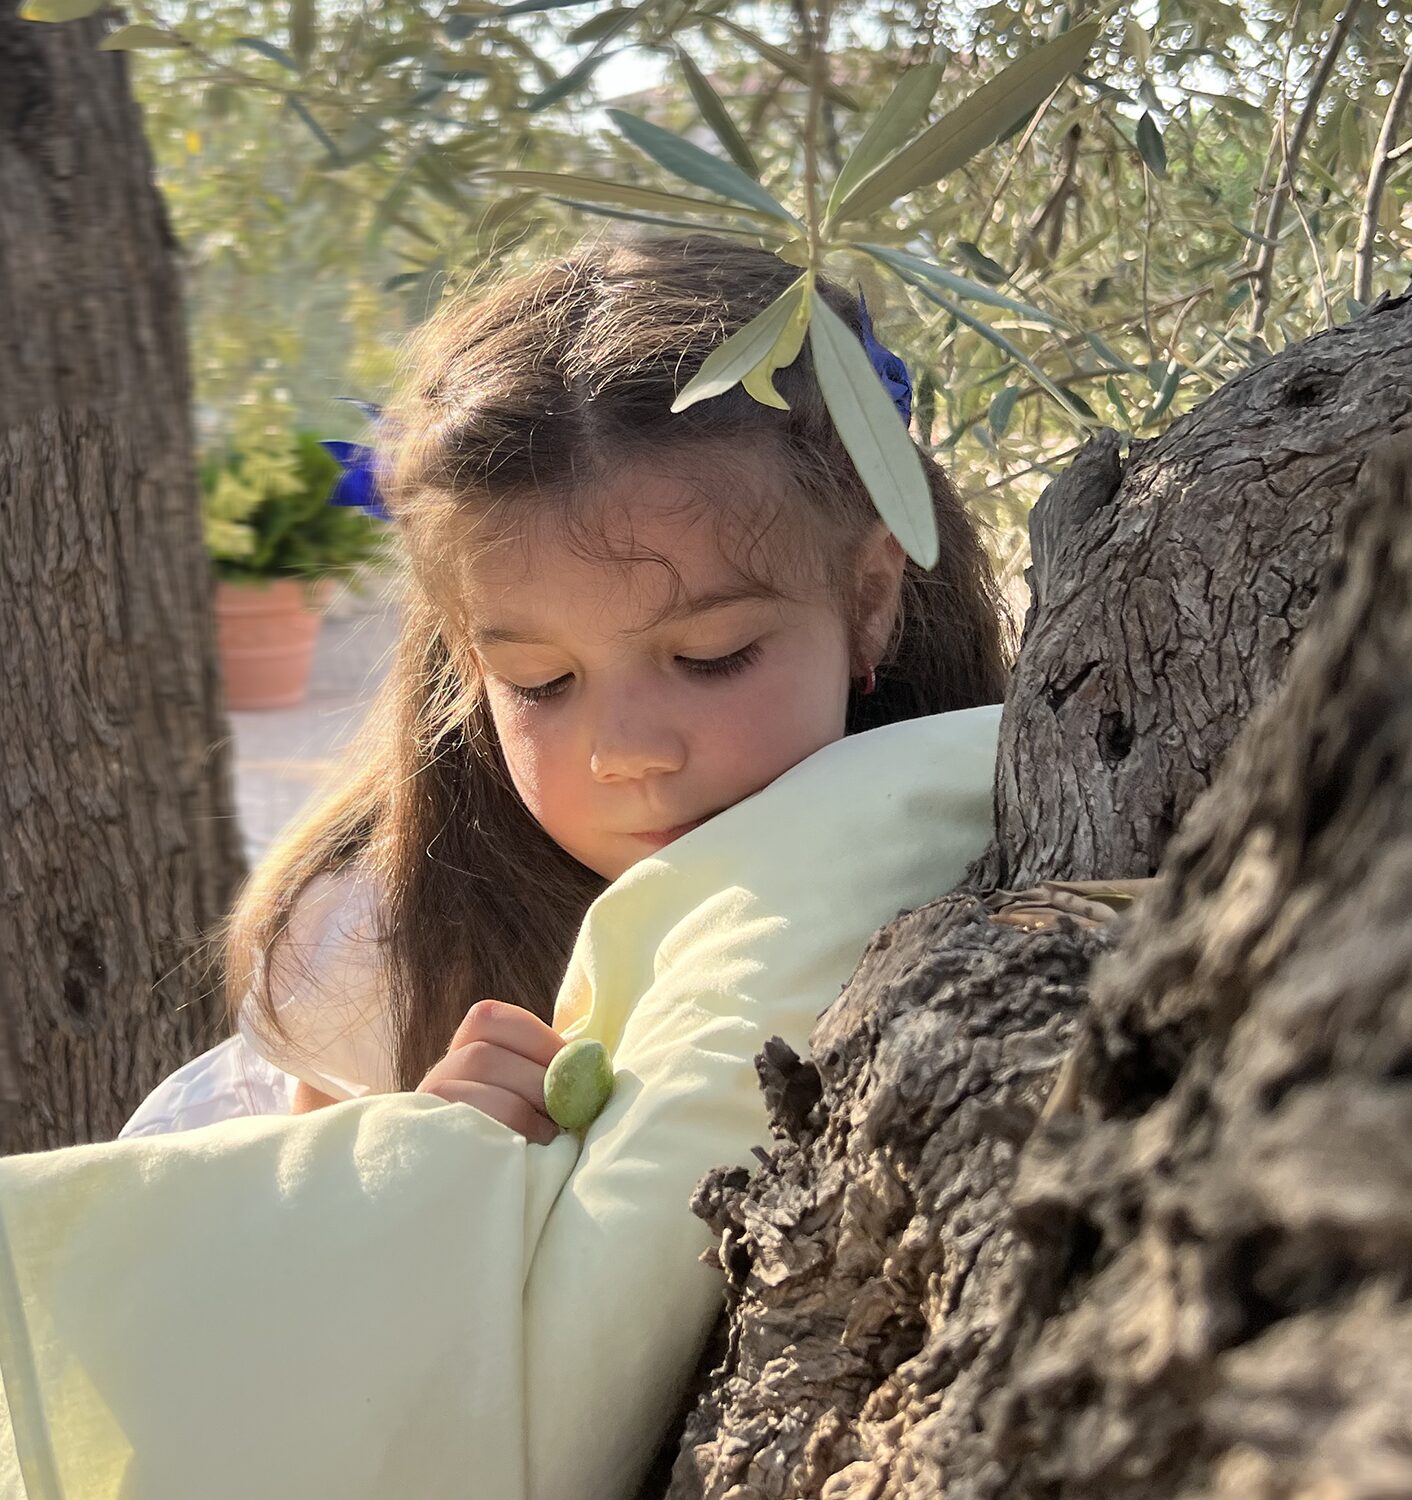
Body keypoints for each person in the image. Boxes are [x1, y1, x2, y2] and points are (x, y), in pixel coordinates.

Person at [119, 231, 1012, 1143]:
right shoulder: (384, 957)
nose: (625, 751)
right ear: (470, 662)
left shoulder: (1023, 825)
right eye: (539, 682)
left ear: (867, 599)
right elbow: (289, 1241)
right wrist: (418, 1159)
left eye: (710, 657)